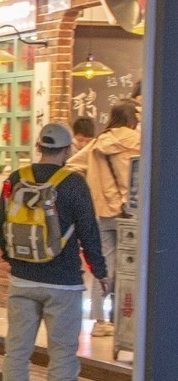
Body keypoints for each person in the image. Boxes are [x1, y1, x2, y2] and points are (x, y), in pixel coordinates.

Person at [0, 122, 108, 381]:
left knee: (17, 349)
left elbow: (1, 225)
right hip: (64, 282)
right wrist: (100, 272)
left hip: (22, 280)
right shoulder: (74, 183)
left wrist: (13, 259)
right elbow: (89, 232)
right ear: (68, 149)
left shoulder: (15, 179)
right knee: (62, 351)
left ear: (38, 147)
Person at [83, 102, 141, 335]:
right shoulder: (139, 140)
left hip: (104, 212)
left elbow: (72, 166)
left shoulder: (98, 143)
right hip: (132, 212)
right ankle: (128, 323)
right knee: (133, 268)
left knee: (102, 267)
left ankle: (99, 322)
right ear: (131, 118)